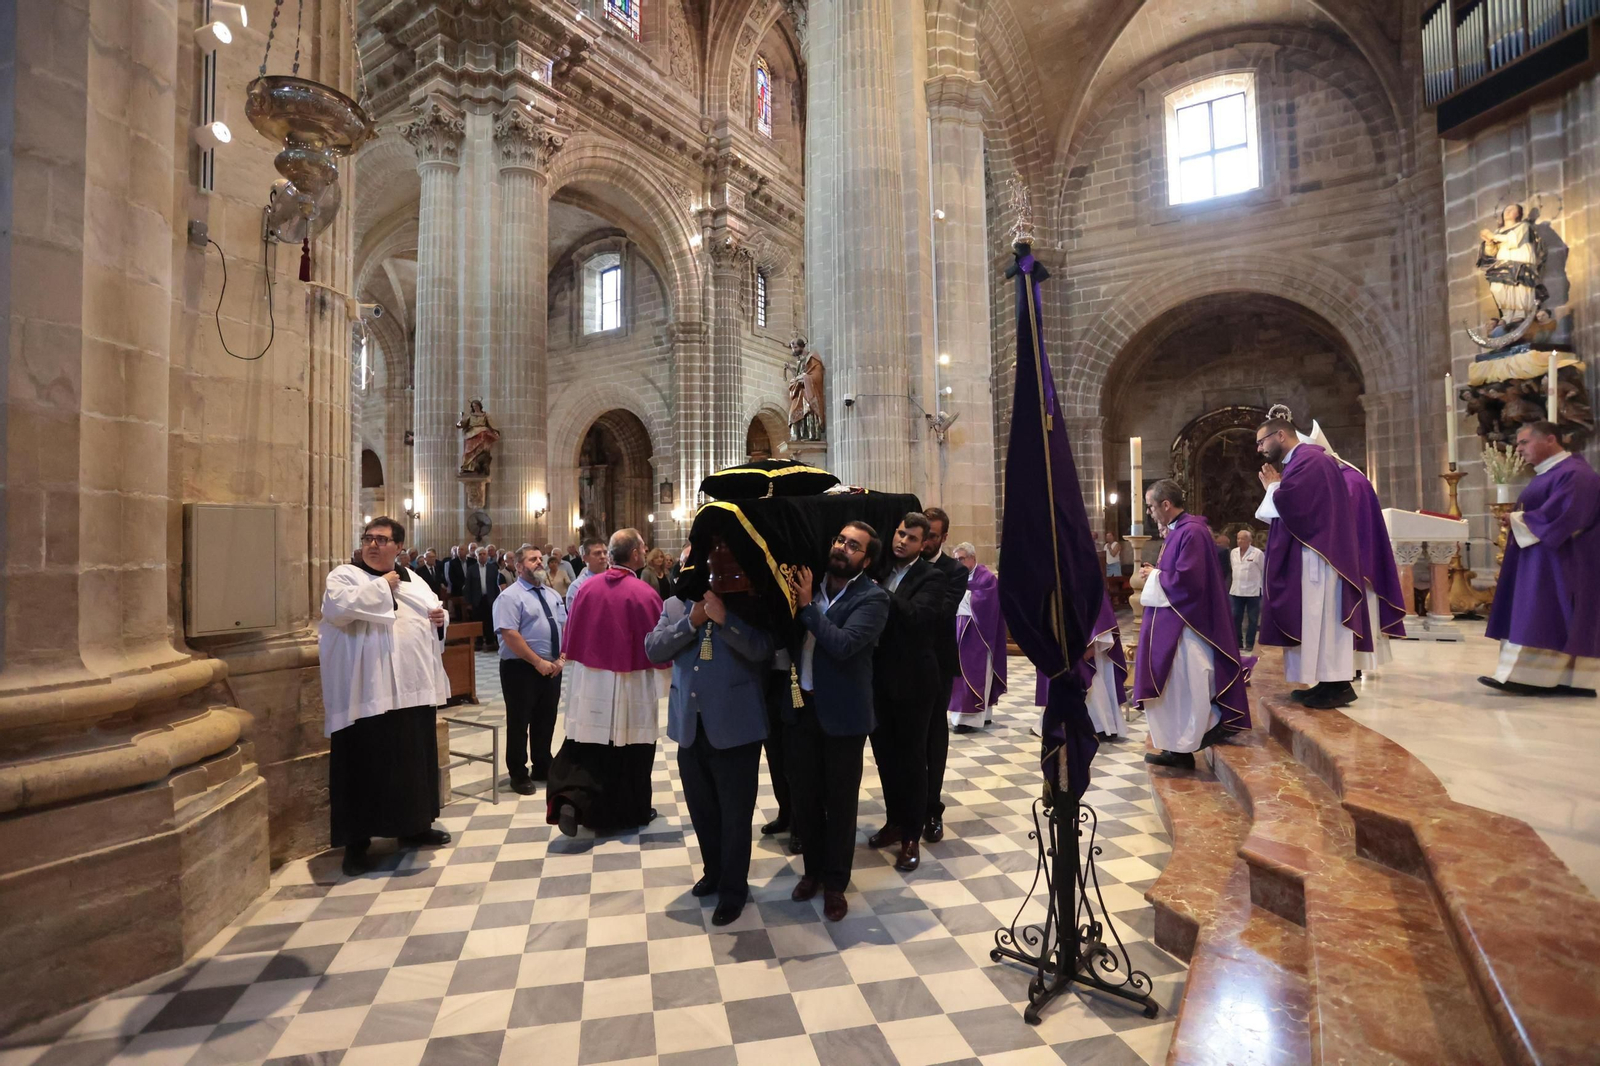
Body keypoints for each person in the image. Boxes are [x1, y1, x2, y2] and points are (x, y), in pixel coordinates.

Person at [318, 517, 453, 876]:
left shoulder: (416, 580)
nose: (373, 545)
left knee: (412, 762)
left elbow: (432, 611)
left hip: (411, 689)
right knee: (362, 765)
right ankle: (357, 843)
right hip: (367, 693)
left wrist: (441, 619)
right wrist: (384, 586)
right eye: (368, 538)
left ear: (398, 547)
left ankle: (415, 827)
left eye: (381, 539)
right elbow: (337, 609)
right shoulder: (345, 575)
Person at [646, 583, 773, 926]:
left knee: (735, 814)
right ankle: (713, 872)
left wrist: (725, 619)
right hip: (690, 724)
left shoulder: (749, 602)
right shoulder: (675, 604)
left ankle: (734, 890)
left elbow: (763, 649)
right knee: (702, 809)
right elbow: (654, 649)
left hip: (736, 724)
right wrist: (691, 622)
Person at [784, 522, 890, 921]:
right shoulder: (806, 584)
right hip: (801, 709)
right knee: (805, 800)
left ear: (866, 558)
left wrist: (808, 606)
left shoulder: (873, 598)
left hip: (844, 716)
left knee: (841, 804)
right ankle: (812, 871)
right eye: (840, 540)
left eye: (854, 545)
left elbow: (843, 645)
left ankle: (835, 884)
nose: (843, 548)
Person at [550, 529, 670, 834]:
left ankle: (583, 805)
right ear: (634, 555)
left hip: (590, 680)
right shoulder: (643, 593)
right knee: (631, 747)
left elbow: (573, 634)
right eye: (643, 548)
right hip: (631, 683)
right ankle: (631, 811)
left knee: (591, 745)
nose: (645, 552)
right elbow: (658, 645)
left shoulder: (588, 589)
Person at [1134, 481, 1252, 768]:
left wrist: (1155, 576)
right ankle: (1179, 748)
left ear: (1166, 504)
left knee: (1187, 688)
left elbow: (1188, 581)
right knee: (1178, 689)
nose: (1149, 513)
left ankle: (1190, 742)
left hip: (1188, 627)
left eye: (1151, 506)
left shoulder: (1192, 532)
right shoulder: (1179, 531)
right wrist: (1158, 572)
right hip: (1177, 624)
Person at [1255, 414, 1367, 709]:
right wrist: (1276, 487)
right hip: (1314, 554)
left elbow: (1295, 506)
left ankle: (1337, 685)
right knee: (1318, 622)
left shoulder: (1310, 460)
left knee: (1325, 620)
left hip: (1319, 556)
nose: (1259, 449)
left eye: (1262, 441)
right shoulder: (1301, 461)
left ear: (1280, 435)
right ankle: (1327, 683)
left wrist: (1273, 487)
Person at [1482, 421, 1600, 696]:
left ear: (1550, 439)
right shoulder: (1552, 473)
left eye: (1524, 442)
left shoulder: (1575, 474)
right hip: (1545, 558)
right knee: (1543, 614)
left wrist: (1517, 518)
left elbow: (1568, 515)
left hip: (1562, 562)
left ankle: (1535, 678)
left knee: (1545, 615)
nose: (1519, 449)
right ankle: (1557, 679)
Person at [862, 514, 946, 872]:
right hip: (878, 679)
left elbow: (916, 617)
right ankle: (894, 821)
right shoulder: (880, 569)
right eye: (899, 534)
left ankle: (911, 835)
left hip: (914, 682)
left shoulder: (932, 577)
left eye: (910, 538)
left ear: (923, 544)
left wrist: (878, 591)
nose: (901, 542)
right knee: (885, 756)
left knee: (912, 760)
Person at [493, 547, 567, 795]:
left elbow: (563, 626)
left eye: (540, 559)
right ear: (519, 566)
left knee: (546, 719)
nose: (539, 562)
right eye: (532, 559)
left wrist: (561, 658)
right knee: (519, 721)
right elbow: (510, 634)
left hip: (552, 667)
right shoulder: (510, 597)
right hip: (520, 668)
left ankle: (542, 765)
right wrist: (537, 662)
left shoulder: (551, 594)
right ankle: (518, 772)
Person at [919, 507, 968, 845]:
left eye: (932, 536)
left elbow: (941, 611)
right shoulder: (903, 564)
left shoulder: (953, 570)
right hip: (903, 666)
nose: (924, 542)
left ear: (943, 538)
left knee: (934, 739)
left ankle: (932, 810)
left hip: (936, 664)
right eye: (923, 534)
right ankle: (903, 812)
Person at [948, 542, 1006, 732]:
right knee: (959, 674)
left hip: (979, 635)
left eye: (961, 559)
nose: (957, 563)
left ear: (972, 558)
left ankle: (969, 719)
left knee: (973, 674)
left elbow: (987, 602)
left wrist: (962, 595)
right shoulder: (958, 577)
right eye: (955, 559)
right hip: (960, 630)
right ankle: (974, 715)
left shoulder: (986, 577)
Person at [1228, 529, 1265, 653]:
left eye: (1242, 538)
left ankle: (1249, 643)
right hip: (1236, 590)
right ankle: (1237, 642)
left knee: (1253, 618)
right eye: (1238, 538)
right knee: (1235, 617)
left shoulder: (1257, 553)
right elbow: (1233, 568)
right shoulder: (1233, 552)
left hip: (1252, 592)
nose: (1239, 541)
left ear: (1249, 540)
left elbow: (1263, 570)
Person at [565, 537, 608, 612]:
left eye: (605, 553)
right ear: (585, 558)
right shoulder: (577, 587)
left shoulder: (615, 580)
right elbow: (575, 618)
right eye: (597, 553)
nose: (603, 557)